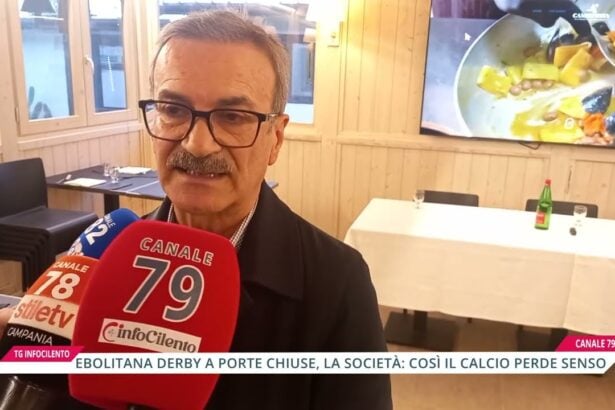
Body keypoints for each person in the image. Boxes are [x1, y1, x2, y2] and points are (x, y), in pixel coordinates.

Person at [141, 10, 391, 410]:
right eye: (173, 110)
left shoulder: (338, 283)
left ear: (275, 138)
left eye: (233, 117)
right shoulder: (104, 259)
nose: (197, 144)